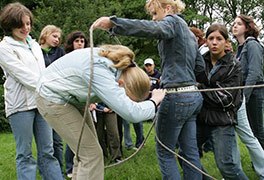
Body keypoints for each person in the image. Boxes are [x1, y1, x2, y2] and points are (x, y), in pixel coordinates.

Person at [91, 0, 205, 179]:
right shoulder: (190, 34)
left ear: (167, 9)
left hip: (177, 97)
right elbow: (200, 68)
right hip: (193, 96)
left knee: (165, 152)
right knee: (190, 153)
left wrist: (115, 23)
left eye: (154, 14)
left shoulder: (172, 22)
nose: (153, 19)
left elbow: (154, 29)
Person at [35, 44, 165, 180]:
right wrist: (154, 101)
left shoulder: (119, 66)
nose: (126, 100)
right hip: (51, 98)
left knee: (85, 153)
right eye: (128, 97)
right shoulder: (103, 72)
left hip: (70, 98)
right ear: (121, 83)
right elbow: (131, 113)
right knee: (91, 154)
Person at [0, 2, 63, 180]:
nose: (26, 28)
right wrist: (52, 88)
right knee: (25, 155)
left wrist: (50, 90)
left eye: (28, 23)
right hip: (19, 107)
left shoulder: (34, 44)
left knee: (47, 151)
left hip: (41, 103)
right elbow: (23, 75)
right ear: (9, 25)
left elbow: (43, 73)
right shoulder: (4, 48)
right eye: (21, 24)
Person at [197, 23, 248, 180]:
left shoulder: (234, 66)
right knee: (186, 155)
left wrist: (200, 87)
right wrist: (209, 88)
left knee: (226, 166)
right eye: (211, 38)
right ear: (205, 41)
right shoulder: (200, 62)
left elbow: (225, 99)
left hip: (222, 121)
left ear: (226, 42)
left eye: (219, 38)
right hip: (201, 119)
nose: (214, 42)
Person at [232, 14, 264, 178]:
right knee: (252, 131)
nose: (234, 26)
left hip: (254, 92)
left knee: (257, 131)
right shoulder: (239, 48)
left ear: (247, 27)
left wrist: (243, 96)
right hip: (244, 93)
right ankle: (257, 163)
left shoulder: (252, 45)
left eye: (238, 24)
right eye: (233, 24)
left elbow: (254, 73)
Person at [38, 24, 65, 174]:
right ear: (45, 35)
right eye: (54, 36)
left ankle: (58, 171)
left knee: (57, 140)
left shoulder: (60, 52)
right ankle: (44, 170)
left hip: (57, 98)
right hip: (41, 98)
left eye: (59, 38)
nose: (57, 40)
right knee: (45, 143)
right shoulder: (35, 52)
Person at [63, 30, 88, 179]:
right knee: (73, 135)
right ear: (71, 43)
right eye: (77, 41)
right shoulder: (66, 58)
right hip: (69, 99)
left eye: (82, 41)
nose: (80, 43)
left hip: (83, 100)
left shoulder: (87, 58)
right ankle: (69, 167)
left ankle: (81, 165)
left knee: (83, 136)